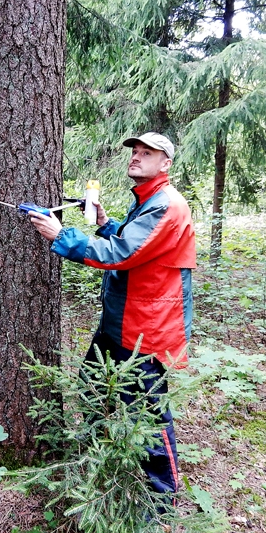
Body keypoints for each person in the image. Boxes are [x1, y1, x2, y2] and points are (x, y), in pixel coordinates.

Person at [28, 131, 196, 499]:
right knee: (92, 384)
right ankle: (99, 460)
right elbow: (134, 241)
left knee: (149, 415)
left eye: (146, 153)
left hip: (144, 329)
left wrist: (62, 235)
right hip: (120, 322)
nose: (135, 157)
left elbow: (121, 254)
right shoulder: (148, 199)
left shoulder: (167, 204)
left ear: (165, 164)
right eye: (134, 151)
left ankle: (162, 497)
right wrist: (105, 223)